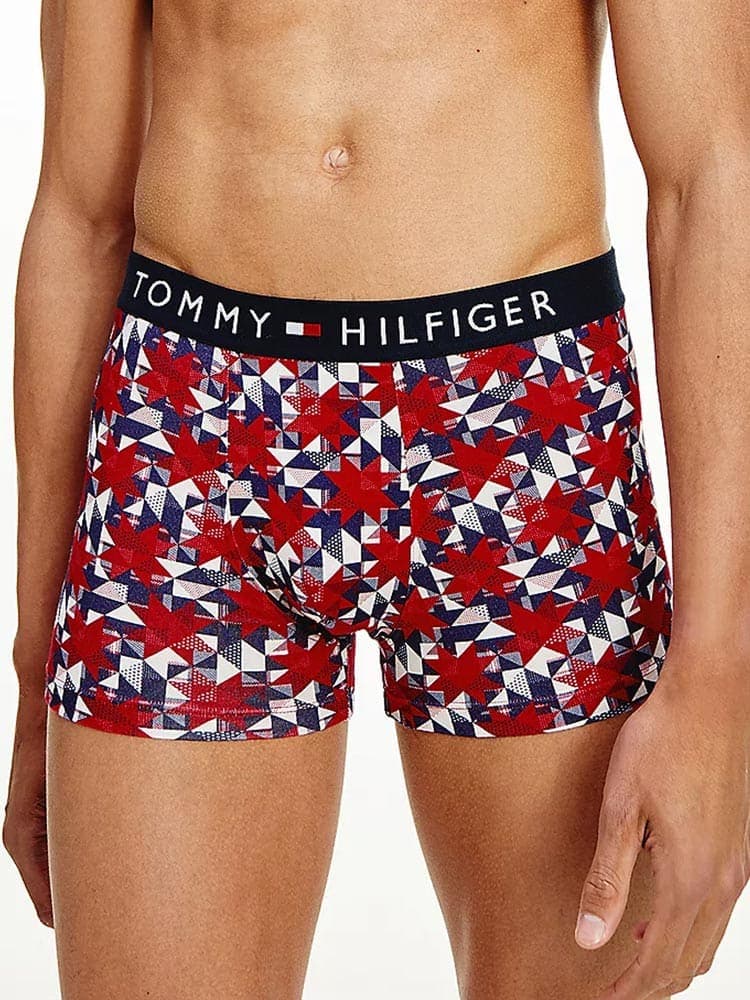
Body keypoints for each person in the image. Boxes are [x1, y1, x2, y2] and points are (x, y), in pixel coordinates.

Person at [4, 1, 749, 998]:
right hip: (190, 427)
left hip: (514, 428)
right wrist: (36, 668)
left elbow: (710, 170)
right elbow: (79, 210)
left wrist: (719, 673)